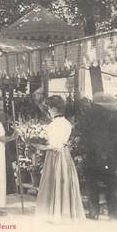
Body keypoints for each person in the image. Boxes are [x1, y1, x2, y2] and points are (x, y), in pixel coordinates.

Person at [33, 95, 85, 223]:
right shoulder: (67, 123)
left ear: (55, 109)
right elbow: (62, 143)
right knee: (64, 181)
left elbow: (55, 145)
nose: (48, 111)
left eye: (49, 108)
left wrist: (40, 146)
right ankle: (64, 212)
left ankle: (55, 214)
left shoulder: (54, 124)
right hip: (65, 155)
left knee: (55, 180)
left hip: (55, 156)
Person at [78, 92, 117, 220]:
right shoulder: (112, 117)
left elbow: (84, 137)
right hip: (109, 156)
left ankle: (93, 212)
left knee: (92, 185)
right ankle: (113, 214)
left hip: (92, 156)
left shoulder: (87, 116)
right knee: (111, 185)